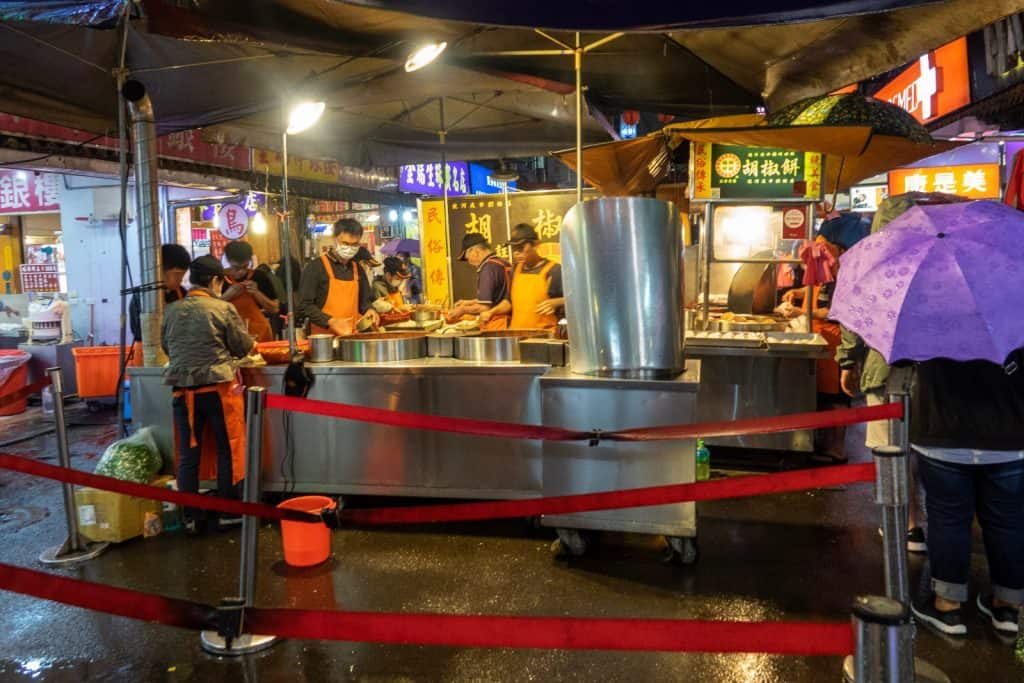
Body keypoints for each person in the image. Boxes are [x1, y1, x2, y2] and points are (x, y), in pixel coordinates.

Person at [908, 351, 1024, 637]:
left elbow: (901, 358)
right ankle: (1007, 606)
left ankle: (947, 607)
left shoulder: (930, 308)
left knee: (948, 519)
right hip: (1010, 433)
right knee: (1008, 522)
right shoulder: (1015, 309)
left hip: (942, 429)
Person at [161, 255, 256, 535]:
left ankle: (190, 515)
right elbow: (242, 347)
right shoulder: (222, 307)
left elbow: (167, 346)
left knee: (188, 456)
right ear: (215, 281)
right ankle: (229, 512)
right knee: (228, 450)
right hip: (217, 390)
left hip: (182, 392)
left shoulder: (172, 310)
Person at [298, 218, 380, 336]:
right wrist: (330, 321)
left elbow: (364, 302)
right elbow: (304, 305)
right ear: (334, 239)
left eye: (355, 244)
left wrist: (370, 310)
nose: (349, 248)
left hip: (352, 337)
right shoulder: (315, 267)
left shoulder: (358, 269)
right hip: (323, 340)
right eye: (345, 243)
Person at [485, 224, 564, 331]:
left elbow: (574, 300)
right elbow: (509, 302)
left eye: (521, 248)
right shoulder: (515, 270)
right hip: (517, 334)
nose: (516, 253)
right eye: (514, 248)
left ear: (535, 245)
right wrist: (492, 312)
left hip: (543, 337)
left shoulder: (554, 270)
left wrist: (557, 302)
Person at [129, 243, 192, 343]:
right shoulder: (141, 296)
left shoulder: (182, 292)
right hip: (147, 352)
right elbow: (139, 332)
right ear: (164, 271)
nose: (181, 280)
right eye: (179, 275)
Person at [447, 233, 510, 331]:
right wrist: (468, 303)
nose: (469, 262)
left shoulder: (488, 268)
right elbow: (495, 297)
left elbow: (484, 307)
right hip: (508, 320)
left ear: (475, 251)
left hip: (498, 324)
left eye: (468, 257)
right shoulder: (500, 262)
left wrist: (463, 310)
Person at [220, 240, 278, 343]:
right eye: (237, 268)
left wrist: (256, 293)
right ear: (227, 261)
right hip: (231, 338)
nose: (241, 271)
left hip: (260, 336)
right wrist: (226, 296)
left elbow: (275, 308)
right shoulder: (219, 280)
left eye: (245, 267)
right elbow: (210, 311)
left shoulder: (259, 276)